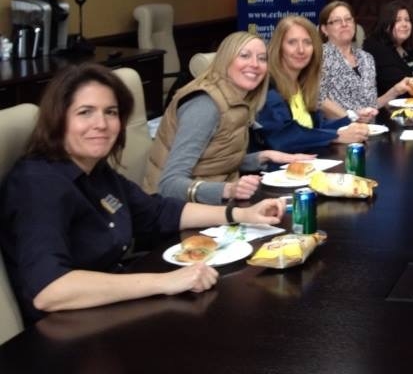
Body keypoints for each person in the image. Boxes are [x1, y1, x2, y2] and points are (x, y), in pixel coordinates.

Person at [0, 64, 285, 324]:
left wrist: (239, 214)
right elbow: (50, 290)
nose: (101, 123)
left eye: (110, 112)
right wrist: (166, 282)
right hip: (62, 335)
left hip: (111, 311)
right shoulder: (37, 184)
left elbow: (157, 211)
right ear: (58, 119)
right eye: (85, 112)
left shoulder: (96, 172)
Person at [144, 32, 314, 203]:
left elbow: (213, 162)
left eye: (262, 58)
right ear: (225, 60)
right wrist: (229, 189)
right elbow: (169, 185)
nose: (255, 64)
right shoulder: (204, 105)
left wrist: (264, 156)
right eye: (244, 56)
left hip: (213, 205)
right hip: (173, 212)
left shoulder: (239, 99)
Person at [254, 16, 371, 153]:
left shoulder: (302, 84)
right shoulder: (269, 87)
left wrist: (352, 120)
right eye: (292, 42)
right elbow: (283, 137)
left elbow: (315, 127)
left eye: (307, 42)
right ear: (279, 48)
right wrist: (337, 136)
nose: (301, 50)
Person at [318, 0, 413, 119]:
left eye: (348, 19)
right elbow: (318, 100)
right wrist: (353, 118)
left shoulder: (366, 58)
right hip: (337, 132)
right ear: (324, 29)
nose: (344, 24)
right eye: (337, 21)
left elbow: (371, 105)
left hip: (370, 130)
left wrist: (396, 90)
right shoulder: (319, 57)